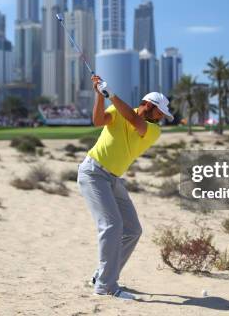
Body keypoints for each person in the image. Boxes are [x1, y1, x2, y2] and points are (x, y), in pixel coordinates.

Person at [77, 74, 174, 300]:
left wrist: (111, 94)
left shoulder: (152, 129)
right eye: (160, 112)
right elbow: (99, 120)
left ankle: (103, 275)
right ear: (149, 105)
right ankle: (105, 286)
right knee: (111, 225)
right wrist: (100, 96)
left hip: (113, 179)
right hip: (93, 173)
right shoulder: (120, 111)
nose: (161, 117)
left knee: (132, 230)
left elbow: (133, 120)